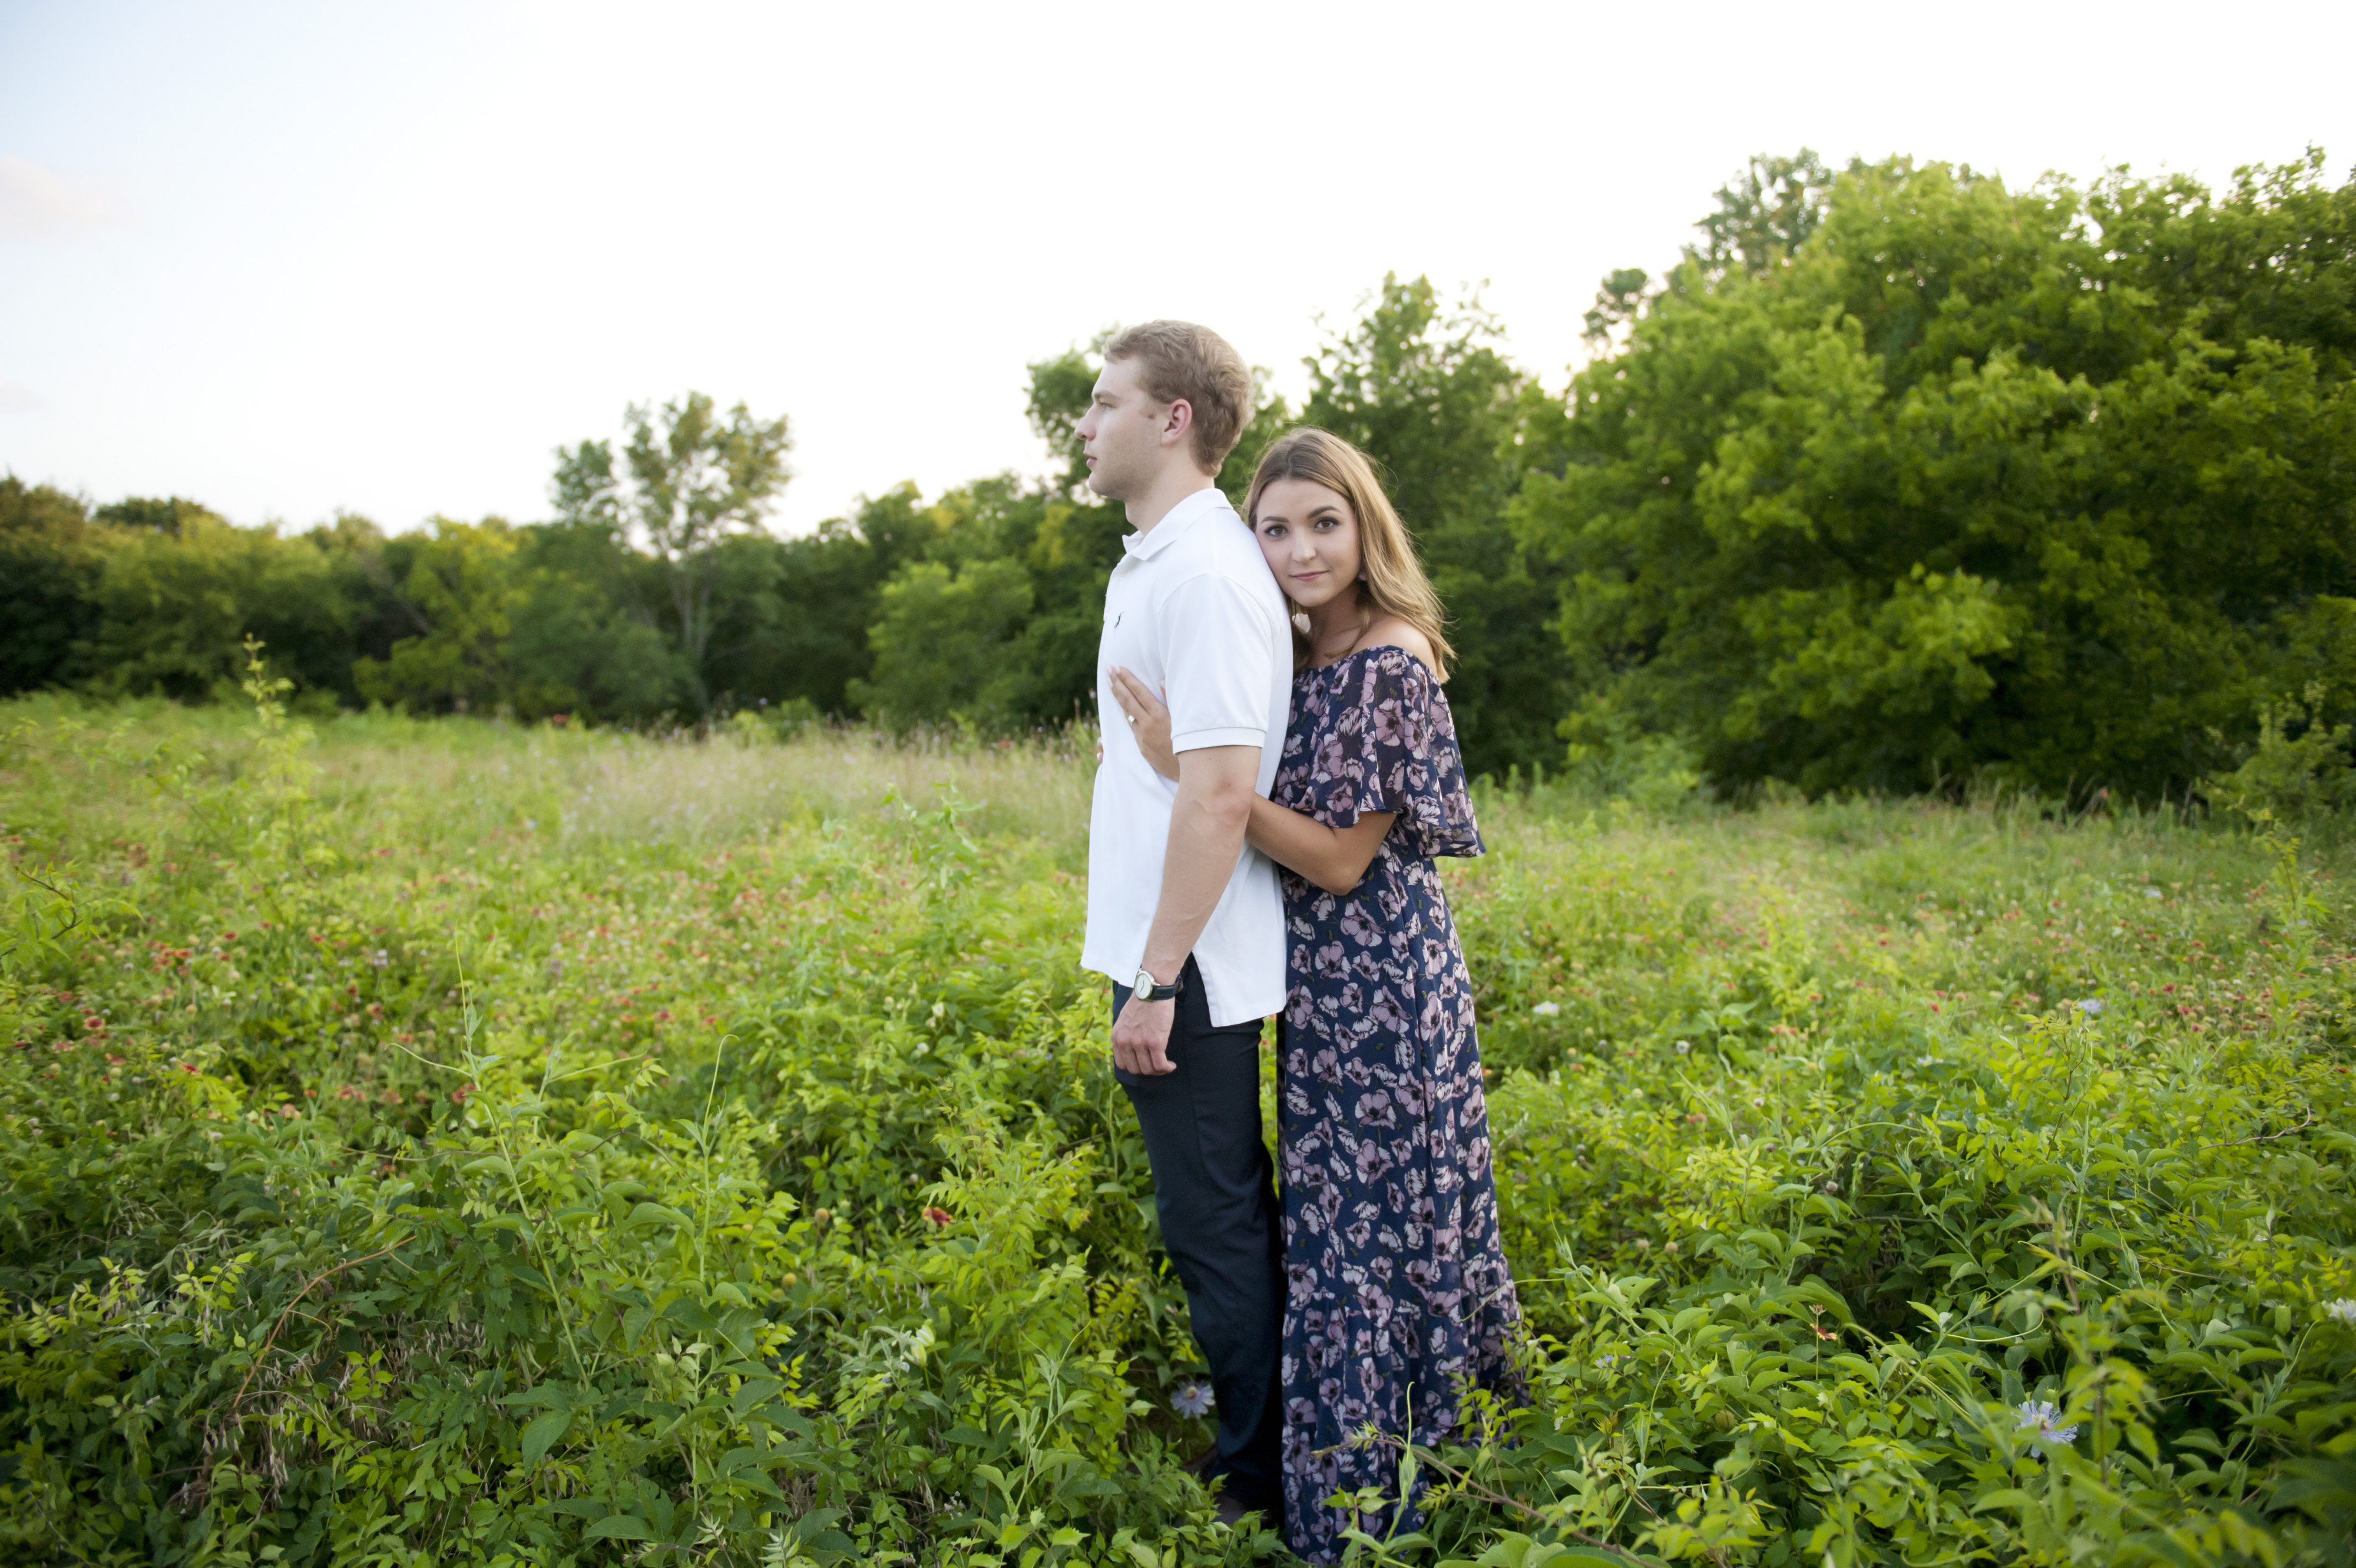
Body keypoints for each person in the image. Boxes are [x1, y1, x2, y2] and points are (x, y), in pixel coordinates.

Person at [1110, 426, 1522, 1562]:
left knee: (1382, 1238)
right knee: (1337, 1237)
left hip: (1388, 986)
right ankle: (1343, 1484)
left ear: (1366, 528)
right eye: (1276, 527)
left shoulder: (1393, 658)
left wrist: (1186, 765)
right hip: (1322, 989)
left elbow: (1342, 859)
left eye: (1324, 524)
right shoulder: (1295, 650)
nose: (1299, 550)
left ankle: (1405, 1495)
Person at [1077, 320, 1293, 1525]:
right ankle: (1249, 1426)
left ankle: (1254, 1480)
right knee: (1207, 1204)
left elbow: (1218, 791)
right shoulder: (1156, 557)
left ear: (1172, 420)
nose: (1084, 421)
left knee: (1210, 1216)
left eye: (1105, 401)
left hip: (1190, 961)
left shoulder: (1207, 571)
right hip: (1164, 950)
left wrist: (1156, 974)